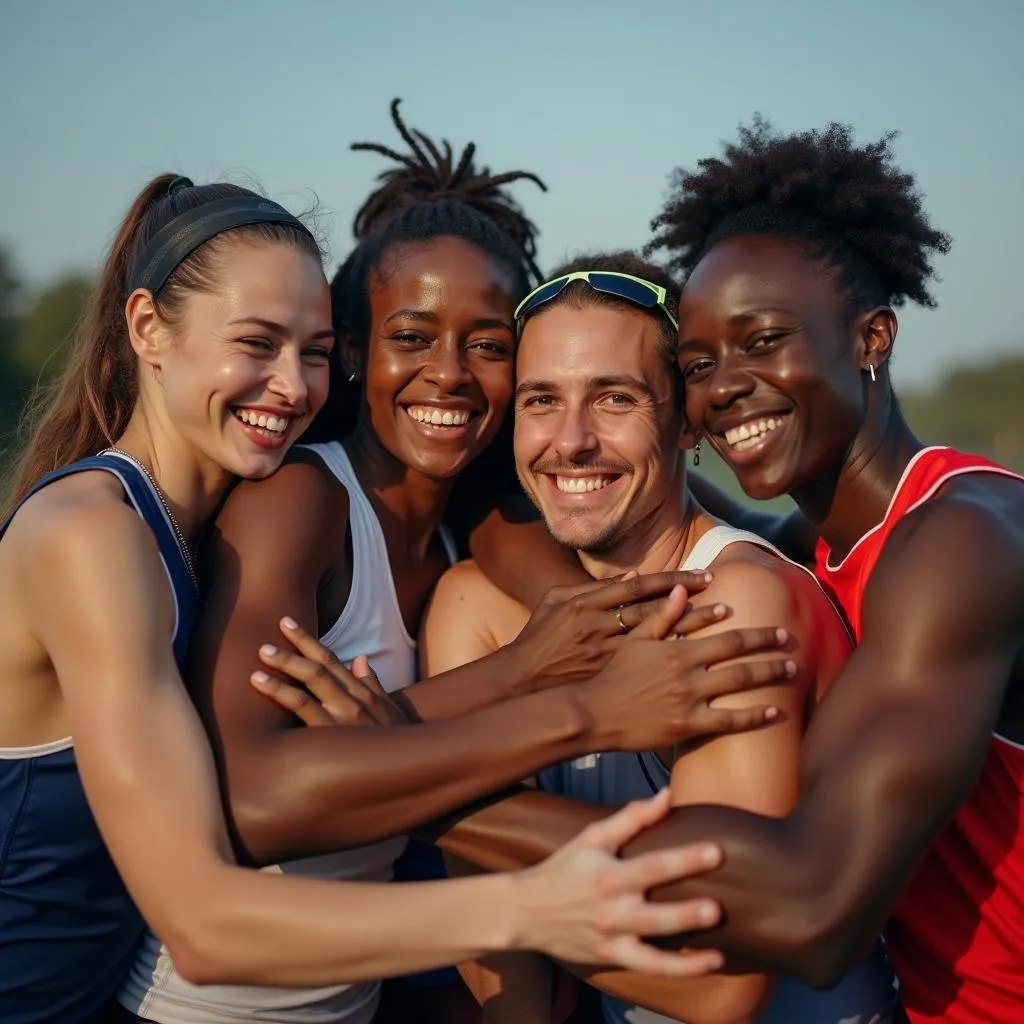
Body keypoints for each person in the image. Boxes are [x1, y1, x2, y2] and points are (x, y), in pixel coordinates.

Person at [0, 171, 761, 1024]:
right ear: (146, 327)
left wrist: (817, 553)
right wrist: (570, 744)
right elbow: (233, 846)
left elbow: (674, 521)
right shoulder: (136, 527)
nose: (290, 386)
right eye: (257, 344)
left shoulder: (458, 518)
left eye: (310, 352)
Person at [362, 121, 1022, 1024]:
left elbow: (806, 911)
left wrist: (397, 785)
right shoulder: (817, 543)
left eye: (764, 340)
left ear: (873, 338)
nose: (727, 388)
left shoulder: (957, 542)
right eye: (703, 362)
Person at [412, 251, 898, 1024]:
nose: (570, 441)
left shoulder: (737, 600)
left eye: (613, 399)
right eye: (542, 400)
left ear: (683, 425)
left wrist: (410, 788)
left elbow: (717, 985)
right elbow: (520, 1002)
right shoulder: (477, 607)